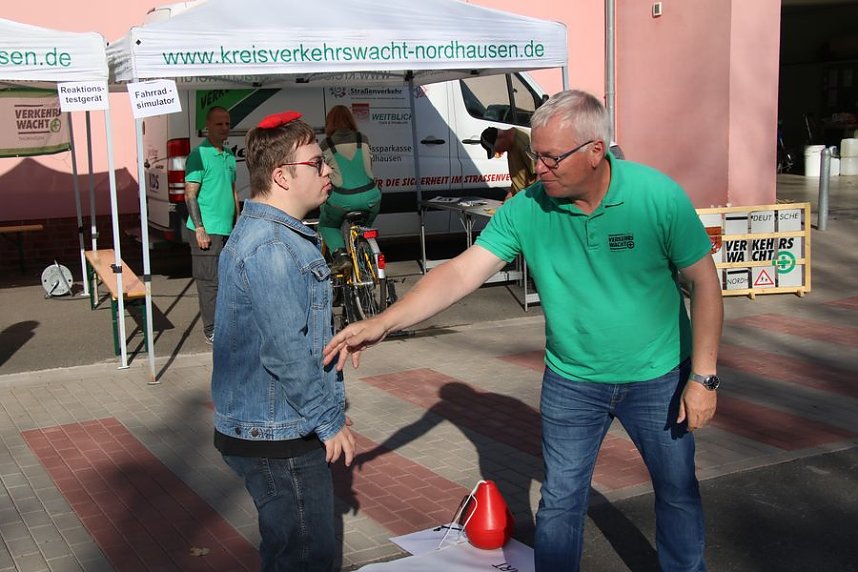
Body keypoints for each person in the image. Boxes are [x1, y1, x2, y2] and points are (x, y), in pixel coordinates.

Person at [325, 90, 724, 571]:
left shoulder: (655, 196)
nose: (539, 169)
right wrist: (385, 321)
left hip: (660, 377)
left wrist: (702, 378)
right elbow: (459, 273)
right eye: (537, 156)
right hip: (573, 382)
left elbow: (704, 282)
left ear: (596, 151)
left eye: (552, 158)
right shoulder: (528, 207)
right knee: (559, 501)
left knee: (677, 493)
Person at [211, 111, 355, 571]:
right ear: (281, 176)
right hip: (281, 434)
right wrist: (329, 421)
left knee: (289, 550)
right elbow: (285, 352)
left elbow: (290, 335)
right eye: (317, 163)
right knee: (306, 556)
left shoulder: (274, 237)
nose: (328, 170)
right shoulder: (272, 247)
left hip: (273, 427)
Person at [184, 106, 239, 344]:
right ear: (208, 126)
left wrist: (238, 225)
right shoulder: (199, 154)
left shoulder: (228, 156)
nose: (225, 128)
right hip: (206, 230)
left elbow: (233, 192)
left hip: (227, 230)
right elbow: (190, 194)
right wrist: (199, 228)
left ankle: (226, 325)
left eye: (227, 123)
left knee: (227, 281)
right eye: (219, 124)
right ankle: (212, 330)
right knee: (209, 283)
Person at [319, 105, 383, 271]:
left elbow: (322, 174)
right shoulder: (363, 138)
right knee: (365, 228)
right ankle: (364, 254)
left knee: (327, 225)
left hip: (343, 199)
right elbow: (370, 166)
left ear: (329, 123)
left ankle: (341, 255)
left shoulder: (326, 144)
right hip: (371, 197)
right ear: (350, 120)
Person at [480, 126, 537, 200]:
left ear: (500, 137)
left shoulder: (524, 143)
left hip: (530, 198)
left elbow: (539, 176)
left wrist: (529, 200)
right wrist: (511, 193)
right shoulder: (509, 145)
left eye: (497, 149)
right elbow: (519, 176)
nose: (499, 152)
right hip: (520, 197)